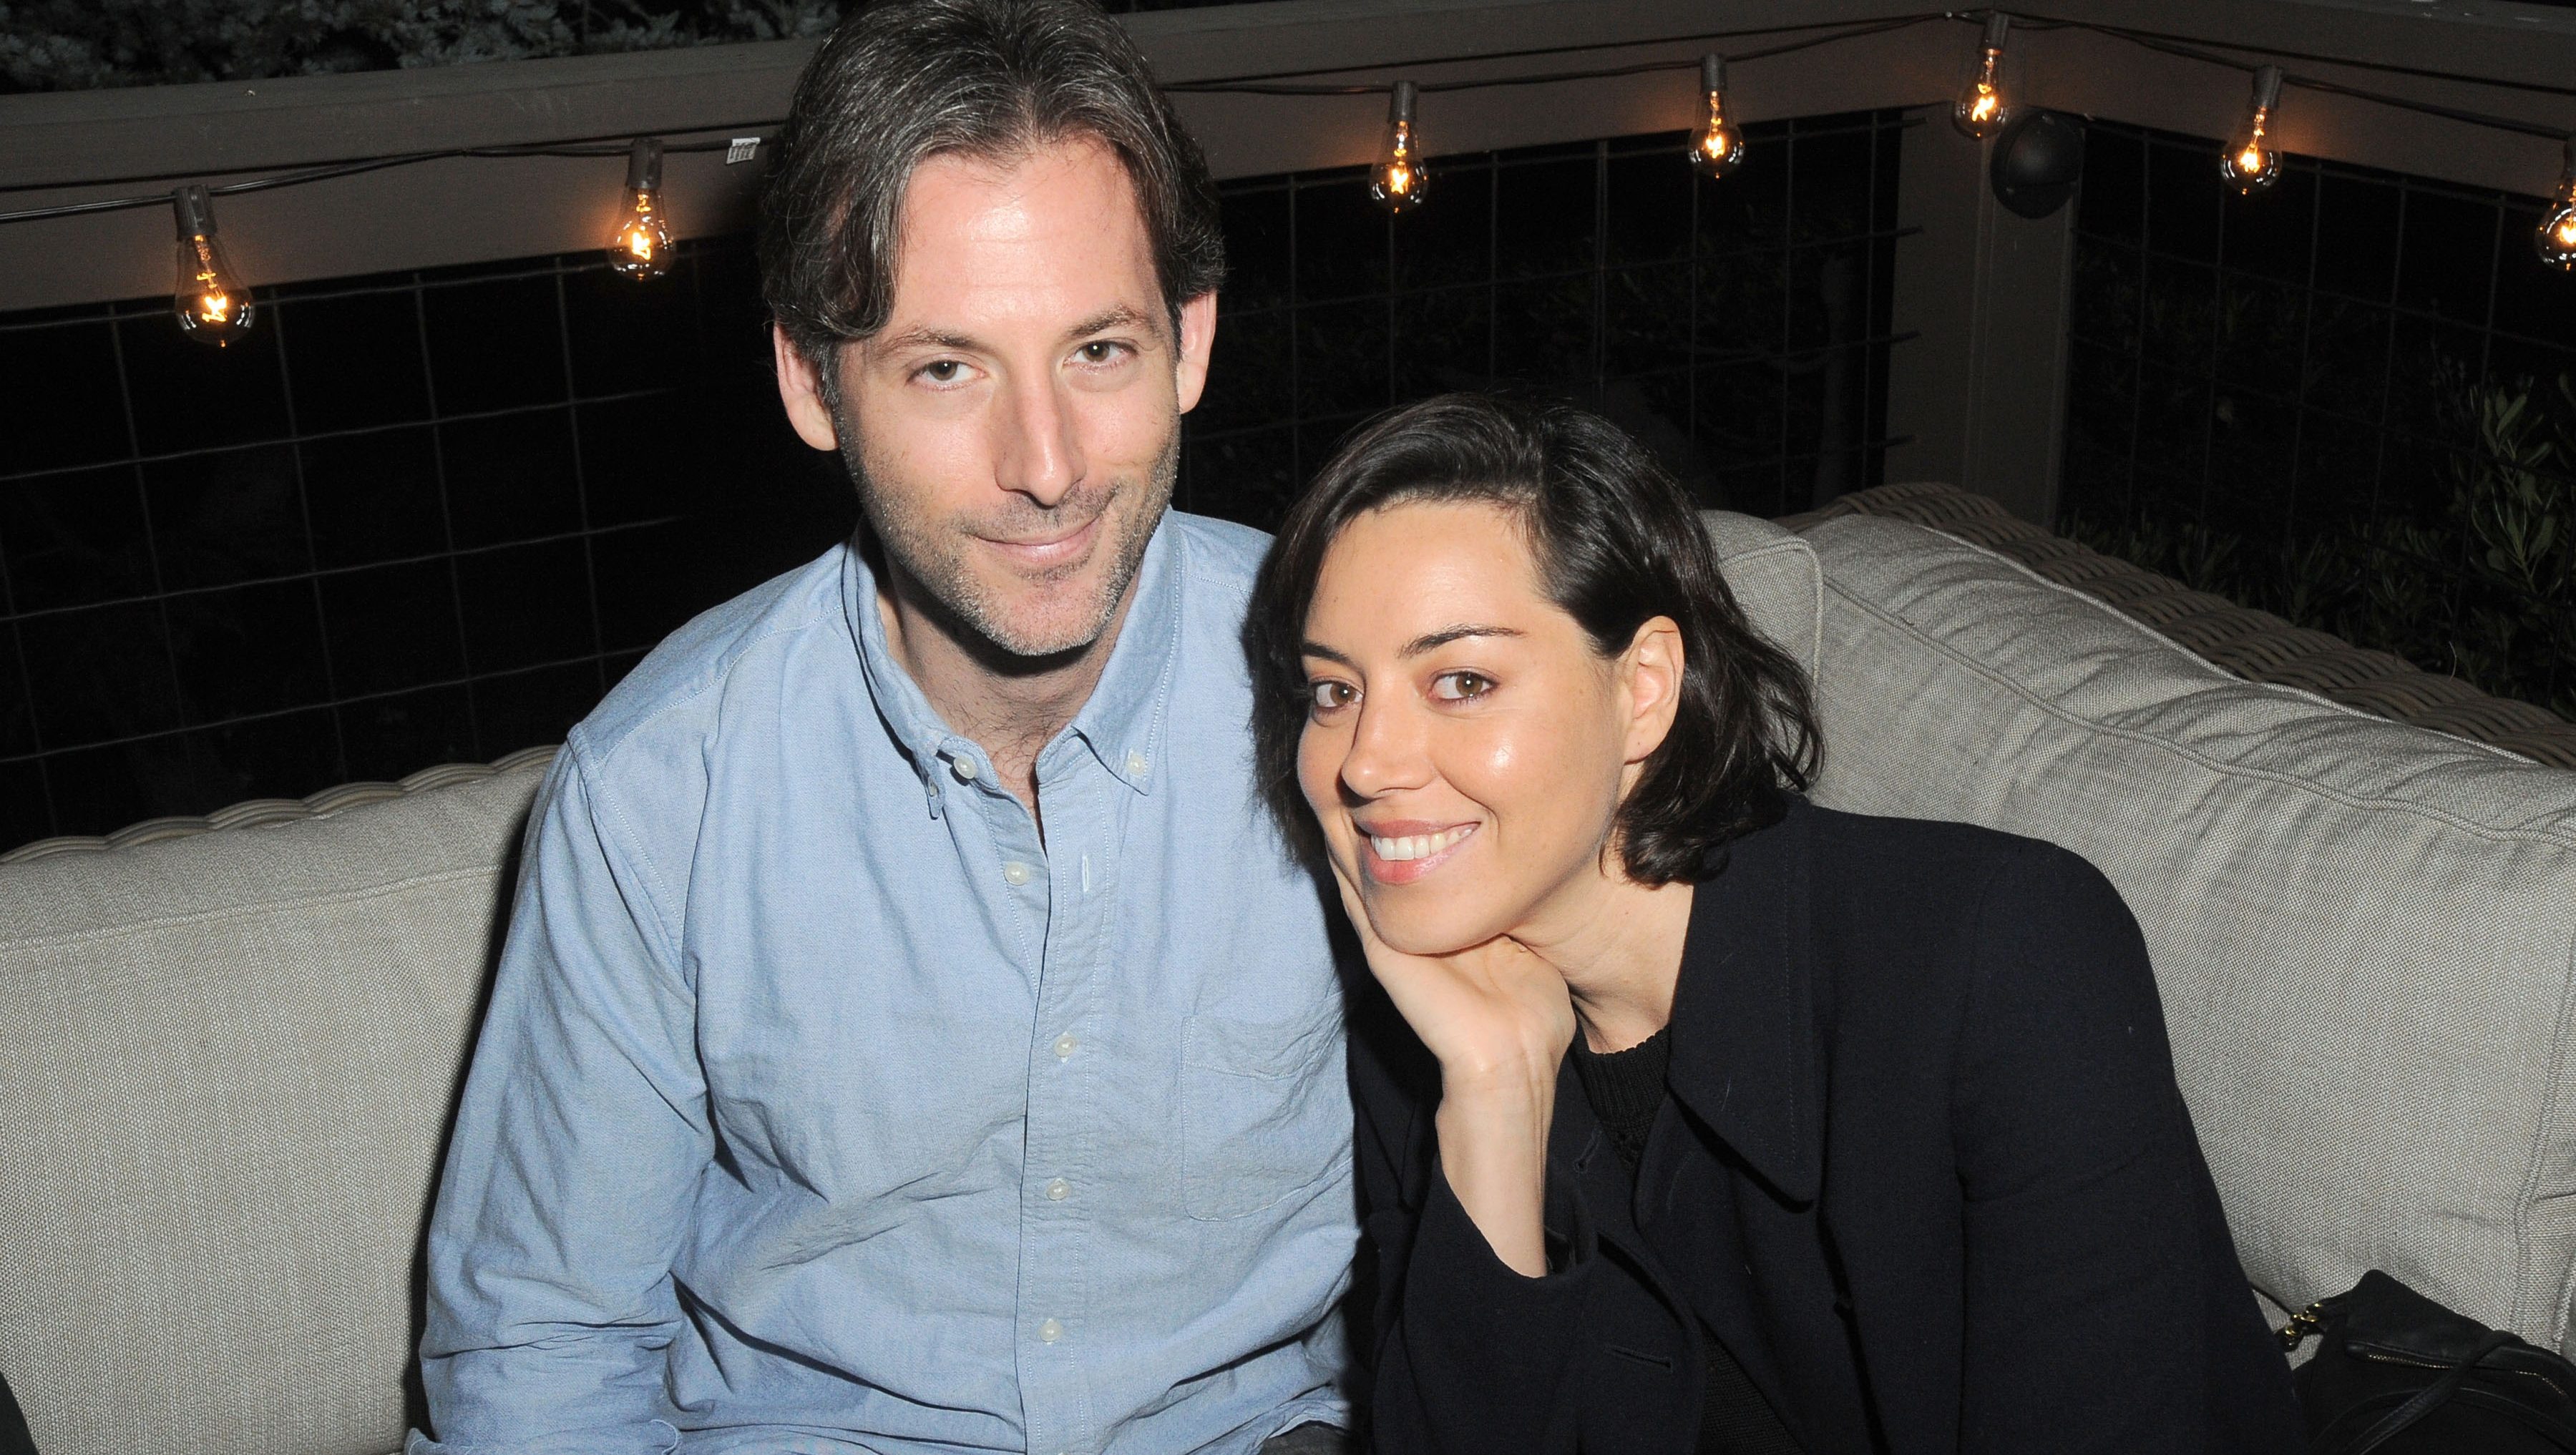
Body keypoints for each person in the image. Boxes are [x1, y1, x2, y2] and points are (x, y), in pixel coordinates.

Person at [409, 2, 1357, 1451]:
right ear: (811, 380)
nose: (1045, 469)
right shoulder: (662, 793)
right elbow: (542, 1350)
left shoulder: (1360, 690)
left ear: (1190, 344)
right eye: (945, 368)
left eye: (1098, 351)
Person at [1243, 393, 2307, 1454]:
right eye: (1332, 691)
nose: (1367, 761)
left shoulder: (2006, 961)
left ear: (1645, 689)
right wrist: (1494, 1100)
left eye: (1461, 680)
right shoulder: (1437, 1024)